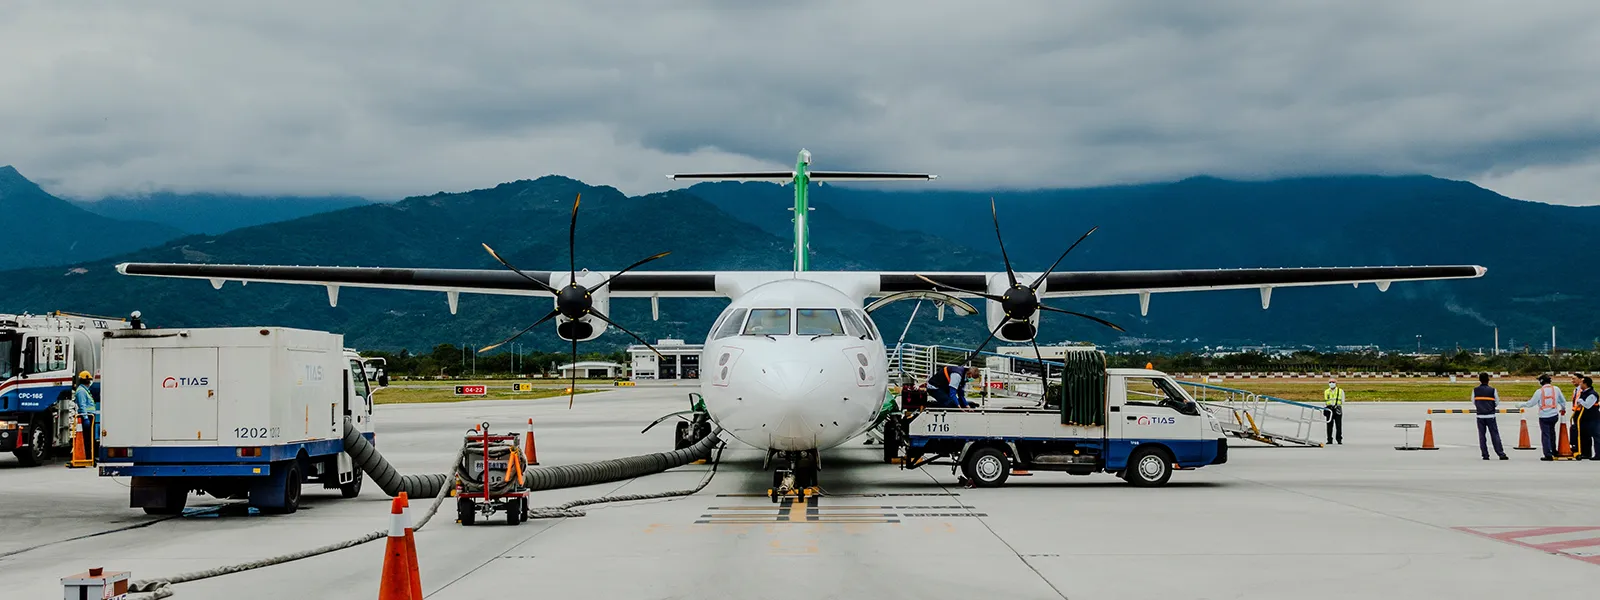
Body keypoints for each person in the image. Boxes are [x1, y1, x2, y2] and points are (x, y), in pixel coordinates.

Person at [1520, 374, 1567, 461]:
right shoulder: (1556, 389)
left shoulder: (1539, 391)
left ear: (1541, 382)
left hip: (1544, 416)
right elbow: (1563, 401)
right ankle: (1554, 450)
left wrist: (1521, 405)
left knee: (1545, 435)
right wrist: (1563, 409)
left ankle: (1548, 454)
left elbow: (1531, 403)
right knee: (1552, 433)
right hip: (1554, 415)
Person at [1472, 373, 1509, 460]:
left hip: (1480, 416)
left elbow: (1473, 401)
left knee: (1482, 436)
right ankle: (1500, 453)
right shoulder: (1492, 390)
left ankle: (1485, 455)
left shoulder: (1475, 390)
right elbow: (1497, 401)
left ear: (1479, 380)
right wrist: (1491, 407)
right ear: (1488, 380)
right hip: (1490, 415)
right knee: (1495, 435)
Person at [1574, 376, 1599, 461]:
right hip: (1585, 418)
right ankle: (1586, 453)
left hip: (1593, 418)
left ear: (1585, 384)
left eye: (1581, 382)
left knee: (1596, 436)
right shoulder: (1584, 392)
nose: (1580, 384)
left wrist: (1580, 401)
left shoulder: (1592, 394)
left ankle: (1598, 454)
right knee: (1585, 436)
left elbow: (1588, 405)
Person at [1324, 379, 1345, 445]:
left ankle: (1339, 439)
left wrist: (1338, 406)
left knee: (1338, 425)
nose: (1331, 383)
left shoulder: (1340, 391)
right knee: (1329, 425)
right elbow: (1326, 400)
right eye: (1330, 382)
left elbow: (1343, 400)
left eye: (1333, 382)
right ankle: (1329, 439)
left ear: (1336, 383)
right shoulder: (1326, 391)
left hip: (1337, 408)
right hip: (1329, 409)